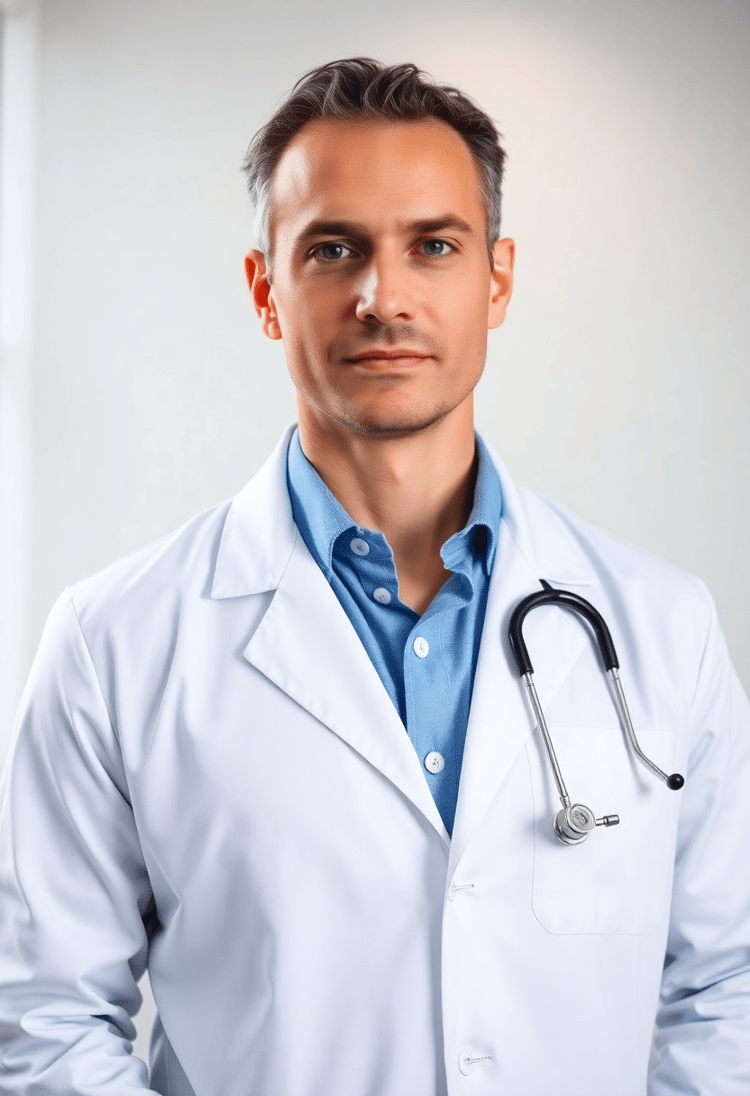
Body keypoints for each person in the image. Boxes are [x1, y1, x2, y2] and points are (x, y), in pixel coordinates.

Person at [1, 56, 749, 1096]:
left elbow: (730, 985)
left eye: (433, 246)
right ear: (267, 290)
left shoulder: (663, 625)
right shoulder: (114, 643)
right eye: (334, 248)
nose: (380, 295)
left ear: (498, 280)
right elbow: (42, 1015)